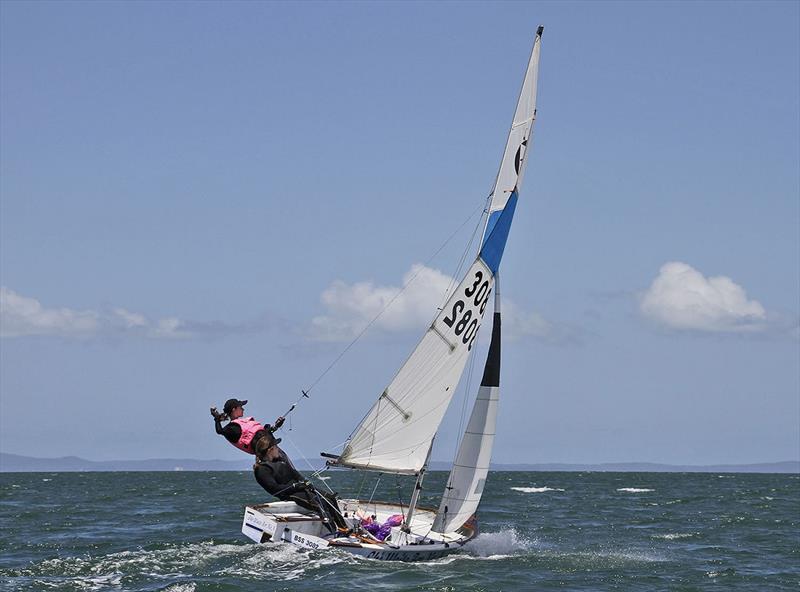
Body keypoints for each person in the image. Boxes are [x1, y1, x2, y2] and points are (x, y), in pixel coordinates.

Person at [252, 437, 347, 534]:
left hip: (300, 488)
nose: (278, 448)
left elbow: (295, 474)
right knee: (320, 504)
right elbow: (275, 489)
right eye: (276, 446)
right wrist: (295, 486)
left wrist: (304, 481)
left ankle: (344, 528)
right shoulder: (262, 469)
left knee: (330, 498)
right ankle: (333, 532)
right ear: (270, 450)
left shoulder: (280, 460)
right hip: (289, 494)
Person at [210, 398, 285, 456]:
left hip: (266, 441)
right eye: (241, 407)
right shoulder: (232, 428)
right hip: (262, 447)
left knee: (267, 427)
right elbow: (219, 431)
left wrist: (276, 426)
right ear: (234, 409)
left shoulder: (242, 423)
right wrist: (217, 418)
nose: (243, 409)